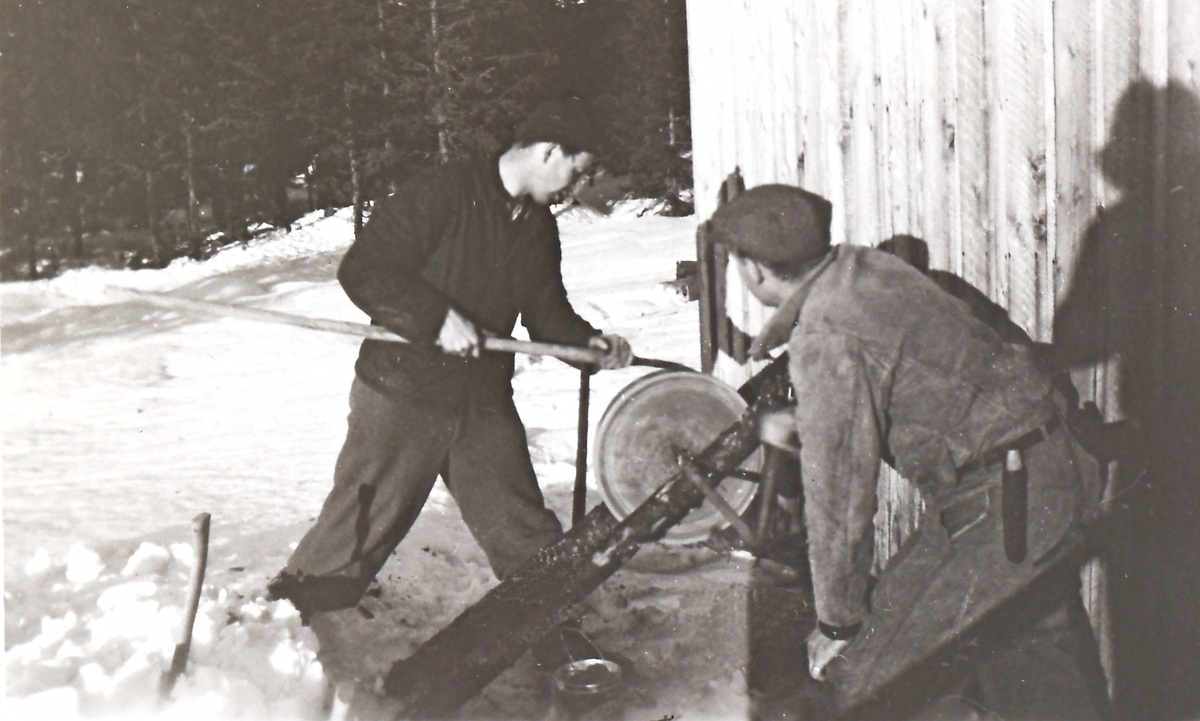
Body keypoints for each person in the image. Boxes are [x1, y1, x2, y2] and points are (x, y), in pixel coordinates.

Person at [709, 185, 1109, 718]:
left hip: (1003, 503)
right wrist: (809, 420)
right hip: (1046, 468)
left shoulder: (825, 336)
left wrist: (837, 622)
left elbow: (841, 499)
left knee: (872, 676)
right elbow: (908, 377)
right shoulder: (866, 269)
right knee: (1032, 662)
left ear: (754, 268)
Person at [268, 99, 632, 623]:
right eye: (578, 172)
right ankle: (285, 634)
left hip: (481, 402)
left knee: (524, 531)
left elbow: (546, 315)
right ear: (551, 151)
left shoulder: (536, 228)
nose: (577, 188)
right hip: (401, 393)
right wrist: (435, 318)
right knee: (357, 529)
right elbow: (365, 269)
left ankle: (562, 646)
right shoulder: (444, 192)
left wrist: (588, 345)